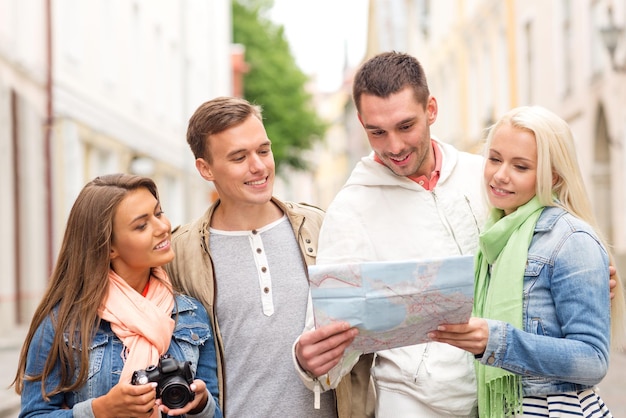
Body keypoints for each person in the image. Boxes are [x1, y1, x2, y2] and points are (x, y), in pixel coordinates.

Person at [293, 51, 619, 418]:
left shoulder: (484, 174)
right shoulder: (351, 209)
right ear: (361, 122)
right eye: (376, 132)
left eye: (405, 126)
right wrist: (309, 361)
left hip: (503, 396)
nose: (395, 147)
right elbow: (327, 334)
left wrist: (581, 281)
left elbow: (538, 253)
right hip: (416, 404)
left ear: (431, 109)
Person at [428, 105, 626, 417]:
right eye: (494, 159)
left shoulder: (571, 239)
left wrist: (497, 341)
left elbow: (593, 359)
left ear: (553, 176)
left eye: (520, 167)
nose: (500, 175)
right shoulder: (495, 236)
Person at [163, 96, 354, 417]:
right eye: (239, 157)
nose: (259, 166)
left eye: (263, 151)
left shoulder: (320, 228)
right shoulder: (179, 253)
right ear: (205, 168)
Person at [13, 174, 221, 418]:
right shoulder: (63, 324)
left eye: (159, 213)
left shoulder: (191, 315)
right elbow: (33, 414)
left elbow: (215, 411)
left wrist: (200, 403)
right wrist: (100, 410)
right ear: (109, 246)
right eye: (142, 225)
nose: (163, 227)